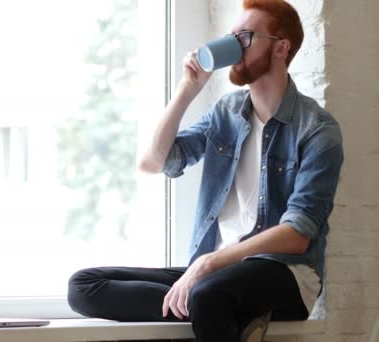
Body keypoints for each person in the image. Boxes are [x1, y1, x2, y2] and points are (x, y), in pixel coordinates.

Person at [67, 0, 344, 341]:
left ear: (281, 48)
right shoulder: (226, 112)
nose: (234, 46)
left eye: (244, 36)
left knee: (208, 293)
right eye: (231, 36)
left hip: (284, 274)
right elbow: (156, 161)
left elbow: (297, 235)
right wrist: (189, 88)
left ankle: (211, 306)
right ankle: (224, 315)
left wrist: (208, 263)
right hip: (219, 276)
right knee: (84, 286)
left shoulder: (317, 130)